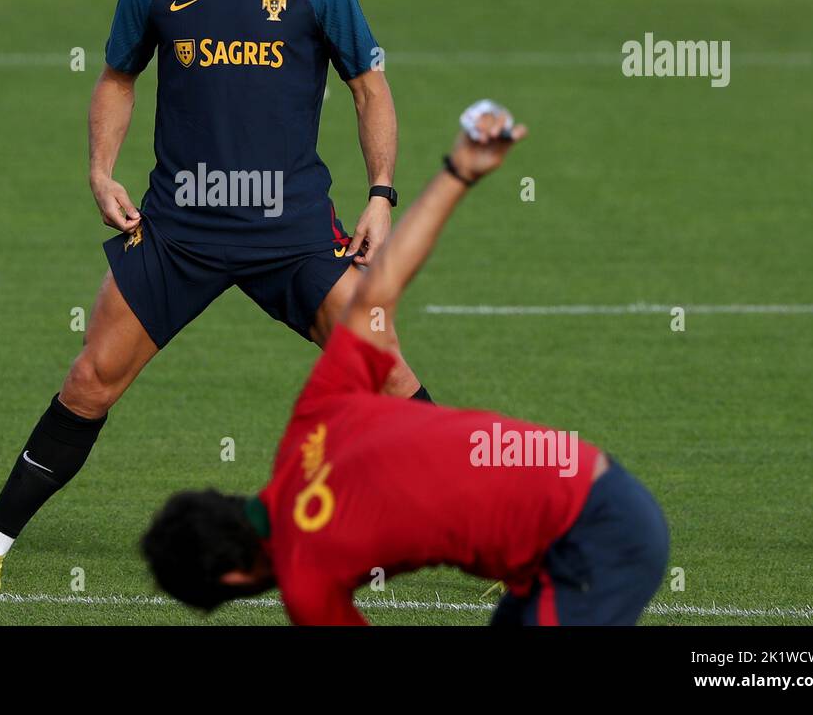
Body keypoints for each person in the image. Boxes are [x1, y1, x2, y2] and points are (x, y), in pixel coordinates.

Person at [0, 0, 429, 595]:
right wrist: (98, 169)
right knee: (89, 380)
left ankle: (512, 543)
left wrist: (383, 193)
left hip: (291, 229)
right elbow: (118, 78)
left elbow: (370, 87)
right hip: (178, 227)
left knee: (388, 377)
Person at [142, 102, 670, 625]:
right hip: (582, 490)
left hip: (594, 537)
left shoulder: (307, 581)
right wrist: (460, 170)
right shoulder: (310, 428)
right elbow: (378, 293)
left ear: (232, 581)